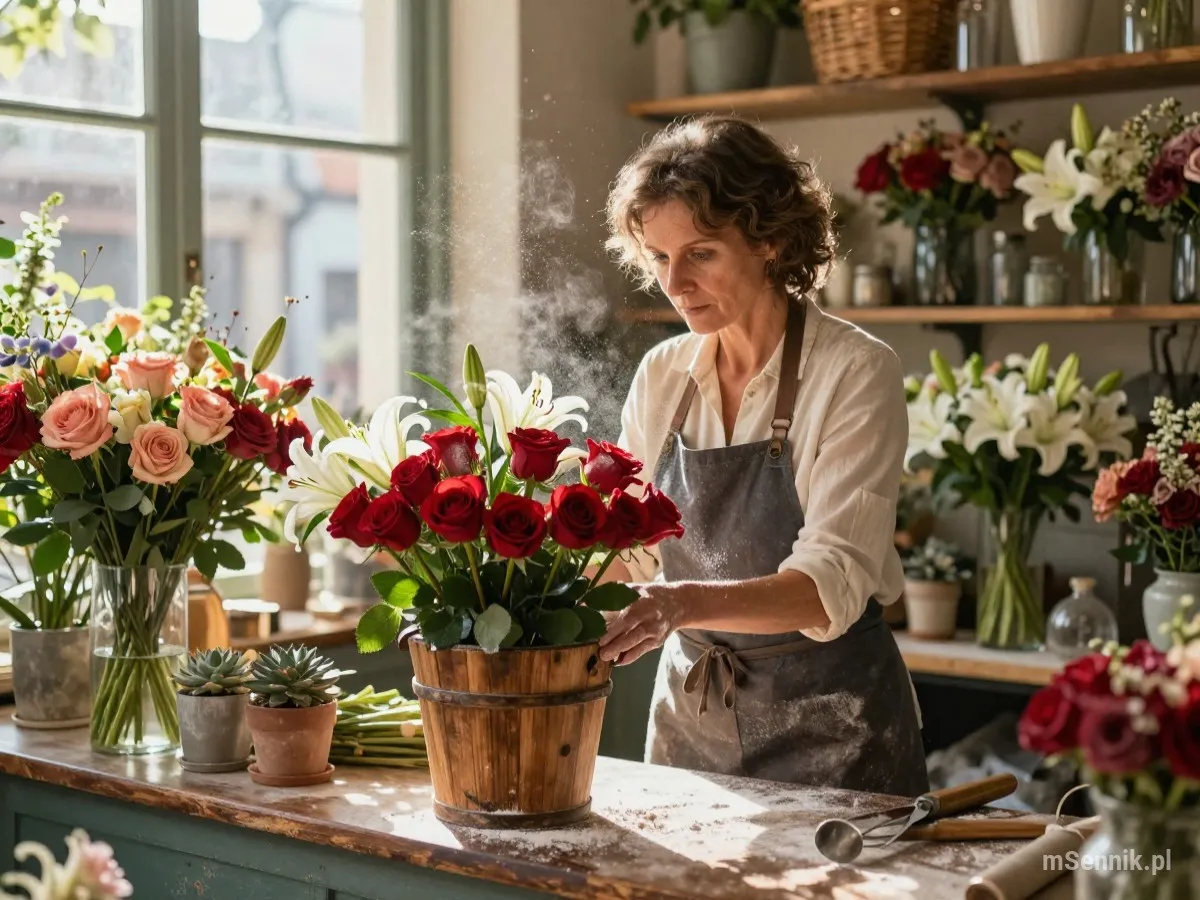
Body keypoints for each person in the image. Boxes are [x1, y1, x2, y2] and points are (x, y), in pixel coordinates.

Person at [596, 115, 927, 796]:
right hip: (691, 725)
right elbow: (627, 556)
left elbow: (828, 583)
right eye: (658, 258)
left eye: (702, 253)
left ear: (770, 240)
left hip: (837, 731)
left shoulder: (856, 371)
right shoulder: (663, 374)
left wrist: (676, 604)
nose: (675, 283)